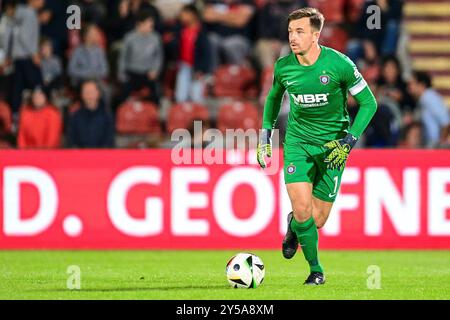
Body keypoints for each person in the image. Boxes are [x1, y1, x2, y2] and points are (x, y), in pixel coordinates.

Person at [257, 8, 377, 285]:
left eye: (300, 31)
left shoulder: (340, 65)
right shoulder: (284, 67)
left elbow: (370, 103)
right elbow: (274, 99)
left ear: (315, 35)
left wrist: (350, 141)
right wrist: (266, 135)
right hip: (298, 143)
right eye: (290, 31)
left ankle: (293, 228)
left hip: (334, 148)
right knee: (303, 210)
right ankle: (316, 270)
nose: (293, 37)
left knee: (317, 219)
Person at [118, 11, 163, 105]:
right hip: (132, 72)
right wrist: (122, 75)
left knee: (157, 96)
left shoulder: (155, 38)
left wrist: (155, 70)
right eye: (148, 24)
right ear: (140, 24)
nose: (151, 27)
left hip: (148, 73)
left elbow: (158, 57)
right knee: (121, 97)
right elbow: (123, 58)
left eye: (152, 25)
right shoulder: (129, 38)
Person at [8, 0, 45, 115]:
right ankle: (39, 112)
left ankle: (15, 114)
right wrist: (34, 53)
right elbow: (24, 36)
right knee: (38, 84)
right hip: (26, 56)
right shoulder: (30, 14)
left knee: (17, 88)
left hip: (18, 56)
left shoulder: (20, 13)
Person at [173, 4, 212, 103]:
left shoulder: (201, 32)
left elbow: (206, 53)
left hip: (197, 68)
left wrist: (202, 69)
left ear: (193, 15)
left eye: (185, 14)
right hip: (183, 66)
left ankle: (197, 119)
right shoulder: (180, 30)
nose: (181, 16)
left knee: (197, 98)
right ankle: (182, 118)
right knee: (180, 97)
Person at [203, 0, 255, 69]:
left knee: (230, 44)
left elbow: (240, 21)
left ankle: (236, 72)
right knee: (211, 39)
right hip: (218, 36)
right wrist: (233, 15)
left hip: (239, 38)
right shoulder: (214, 1)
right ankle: (213, 73)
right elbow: (207, 16)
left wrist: (217, 15)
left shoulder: (246, 2)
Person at [407, 71, 450, 148]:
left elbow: (446, 121)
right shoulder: (423, 100)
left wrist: (440, 143)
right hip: (431, 145)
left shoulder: (429, 98)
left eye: (412, 83)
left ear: (421, 85)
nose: (409, 87)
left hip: (435, 145)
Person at [68, 80, 115, 148]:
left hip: (102, 156)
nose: (89, 95)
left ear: (98, 93)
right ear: (81, 95)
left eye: (92, 92)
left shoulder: (107, 115)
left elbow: (109, 141)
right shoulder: (75, 116)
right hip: (79, 156)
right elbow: (71, 140)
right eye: (86, 92)